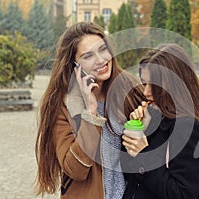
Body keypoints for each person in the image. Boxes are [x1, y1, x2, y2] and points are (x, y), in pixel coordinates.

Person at [35, 22, 144, 199]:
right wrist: (91, 113)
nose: (101, 60)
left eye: (103, 49)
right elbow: (75, 170)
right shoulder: (63, 105)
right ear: (74, 65)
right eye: (88, 56)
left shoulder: (129, 87)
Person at [120, 43, 199, 199]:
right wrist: (136, 131)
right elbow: (129, 176)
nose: (146, 92)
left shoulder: (188, 128)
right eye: (144, 83)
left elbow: (183, 194)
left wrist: (143, 153)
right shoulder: (155, 118)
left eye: (154, 85)